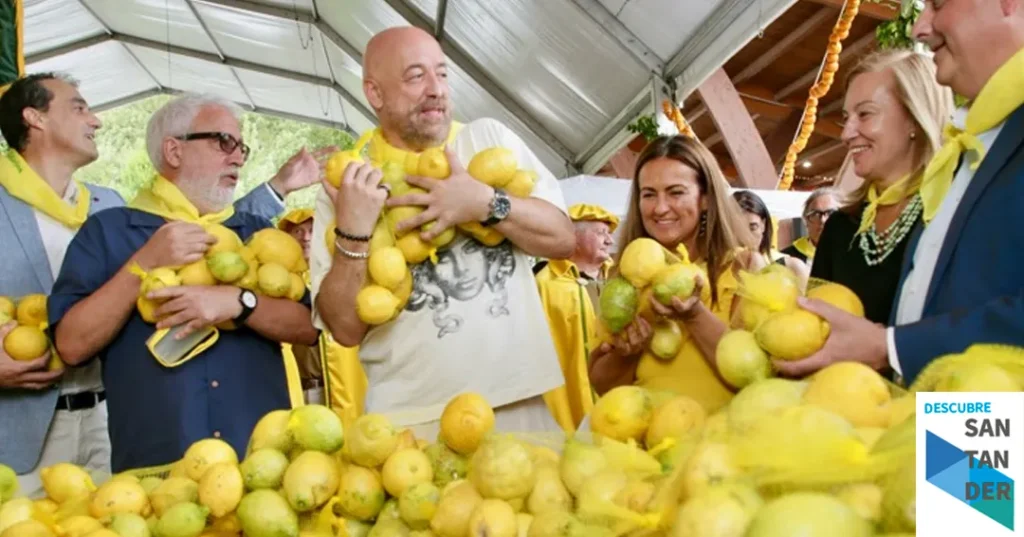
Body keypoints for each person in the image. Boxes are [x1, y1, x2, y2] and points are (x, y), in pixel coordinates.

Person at [0, 74, 306, 495]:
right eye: (222, 141)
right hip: (139, 469)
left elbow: (310, 326)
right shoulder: (110, 229)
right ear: (173, 150)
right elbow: (71, 343)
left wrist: (240, 300)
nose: (238, 157)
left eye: (241, 147)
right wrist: (144, 264)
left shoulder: (253, 231)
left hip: (261, 464)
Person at [310, 26, 574, 440]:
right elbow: (344, 329)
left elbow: (562, 238)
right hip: (410, 425)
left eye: (442, 74)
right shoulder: (350, 182)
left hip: (519, 406)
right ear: (375, 94)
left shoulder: (485, 139)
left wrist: (486, 202)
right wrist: (354, 233)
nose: (436, 89)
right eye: (416, 76)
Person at [775, 0, 1024, 384]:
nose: (919, 28)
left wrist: (889, 347)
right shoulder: (974, 153)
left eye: (938, 4)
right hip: (944, 422)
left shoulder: (956, 172)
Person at [587, 135, 759, 414]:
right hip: (648, 447)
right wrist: (626, 353)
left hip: (722, 449)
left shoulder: (744, 267)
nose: (660, 208)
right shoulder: (629, 278)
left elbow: (753, 376)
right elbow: (602, 385)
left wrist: (694, 316)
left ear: (705, 199)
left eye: (676, 192)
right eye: (649, 194)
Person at [812, 50, 952, 324]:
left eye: (864, 114)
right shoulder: (840, 228)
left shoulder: (952, 214)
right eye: (846, 117)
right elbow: (813, 327)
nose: (846, 133)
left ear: (914, 117)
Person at [277, 208, 368, 419]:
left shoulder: (342, 276)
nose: (306, 237)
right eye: (298, 232)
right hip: (301, 390)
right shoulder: (279, 281)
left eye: (311, 230)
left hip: (347, 387)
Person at [535, 203, 618, 432]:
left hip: (619, 404)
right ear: (574, 237)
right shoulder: (546, 284)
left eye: (609, 234)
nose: (610, 241)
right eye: (601, 233)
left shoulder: (619, 278)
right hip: (566, 409)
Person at [732, 190, 809, 289]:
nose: (745, 237)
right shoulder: (715, 268)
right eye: (737, 229)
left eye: (753, 228)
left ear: (763, 225)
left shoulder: (792, 267)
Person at [781, 187, 838, 264]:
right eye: (815, 214)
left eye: (830, 213)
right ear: (806, 221)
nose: (823, 220)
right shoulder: (787, 260)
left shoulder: (856, 255)